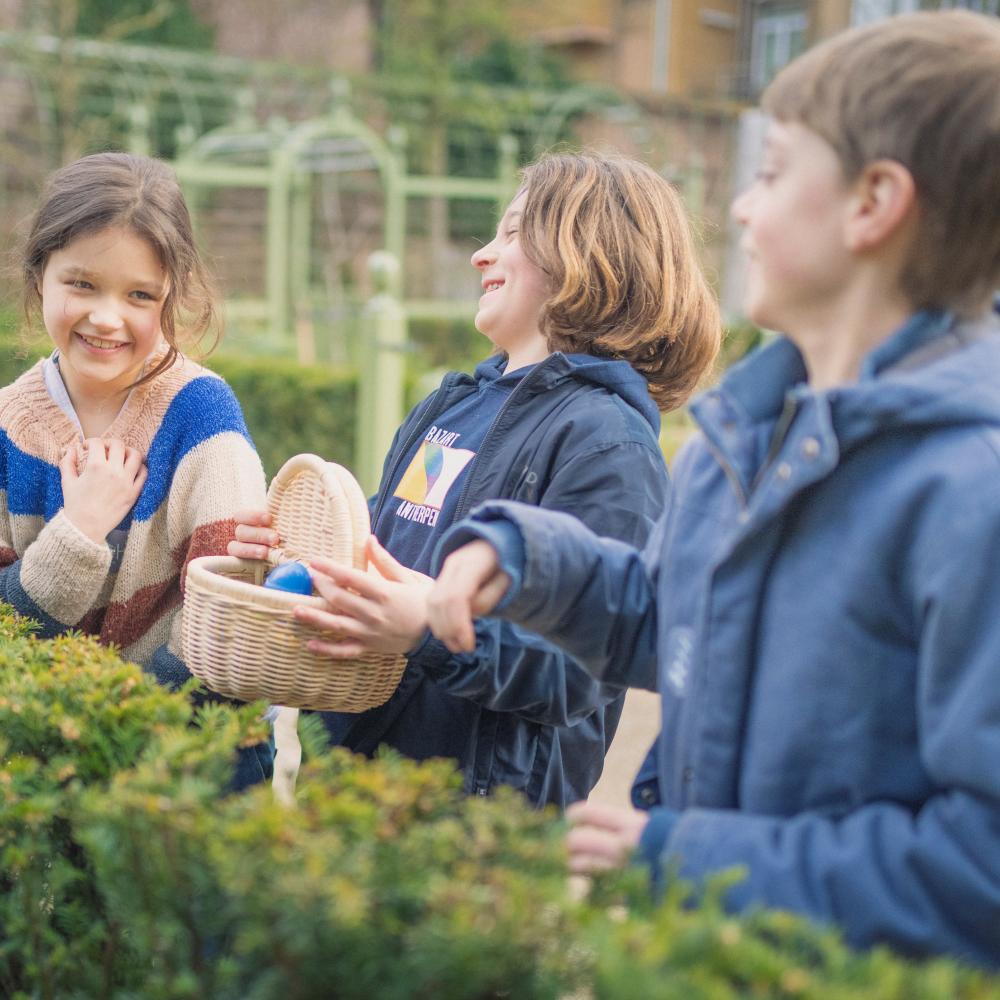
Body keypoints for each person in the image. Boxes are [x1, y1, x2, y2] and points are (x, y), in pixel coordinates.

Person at [427, 10, 1000, 966]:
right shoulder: (745, 436)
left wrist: (689, 860)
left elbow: (980, 867)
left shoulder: (971, 491)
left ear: (873, 204)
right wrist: (531, 559)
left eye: (771, 173)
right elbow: (679, 619)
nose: (738, 209)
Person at [229, 152, 721, 807]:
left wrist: (429, 630)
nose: (480, 255)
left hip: (469, 824)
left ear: (587, 254)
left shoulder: (609, 442)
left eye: (513, 233)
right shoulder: (450, 407)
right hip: (354, 788)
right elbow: (379, 549)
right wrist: (292, 553)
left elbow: (581, 671)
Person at [0, 152, 272, 787]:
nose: (107, 317)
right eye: (82, 284)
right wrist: (80, 531)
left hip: (193, 763)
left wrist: (121, 732)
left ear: (171, 294)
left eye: (139, 295)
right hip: (44, 768)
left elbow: (228, 618)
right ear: (40, 276)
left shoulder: (202, 415)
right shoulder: (9, 424)